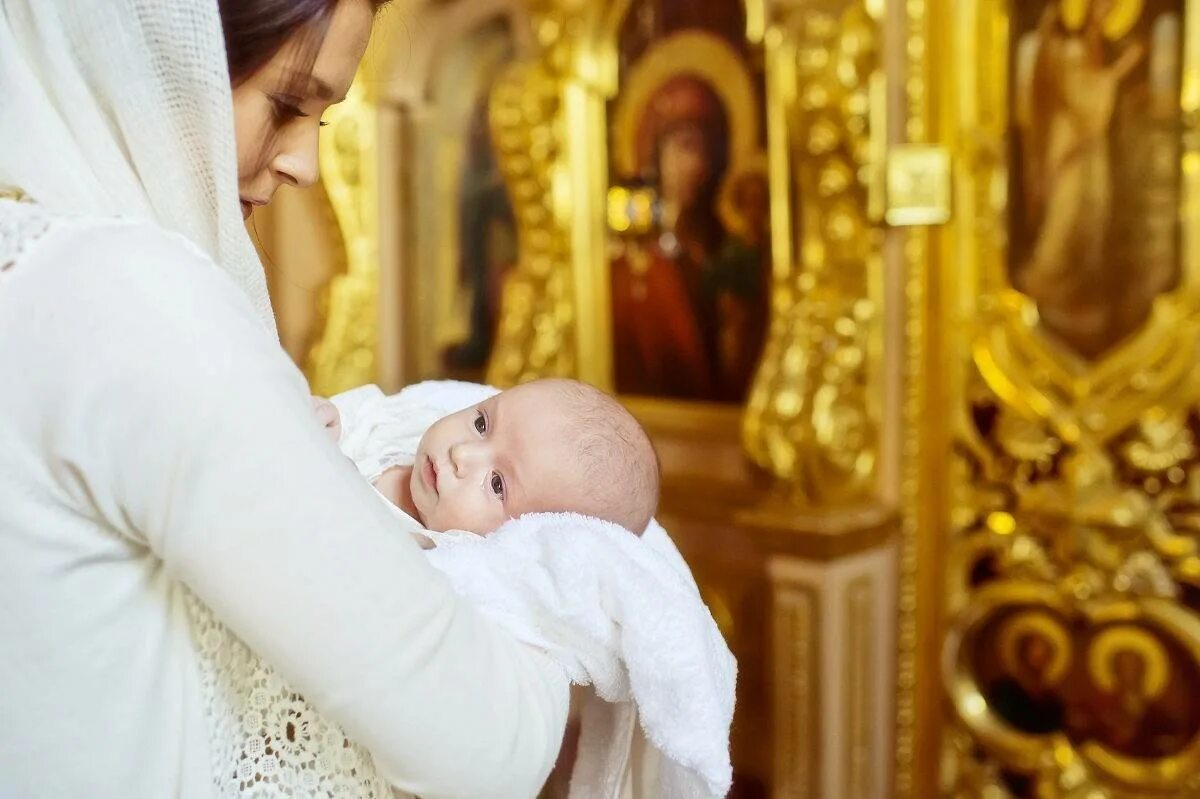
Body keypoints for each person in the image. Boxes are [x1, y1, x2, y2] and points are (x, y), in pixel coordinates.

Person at [0, 1, 568, 797]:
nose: (304, 164)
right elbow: (489, 743)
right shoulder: (138, 302)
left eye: (322, 121)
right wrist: (584, 594)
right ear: (161, 53)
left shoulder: (31, 260)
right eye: (288, 106)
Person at [317, 378, 660, 537]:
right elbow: (358, 415)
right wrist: (331, 417)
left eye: (497, 484)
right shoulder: (400, 426)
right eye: (481, 423)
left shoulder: (429, 552)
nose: (461, 453)